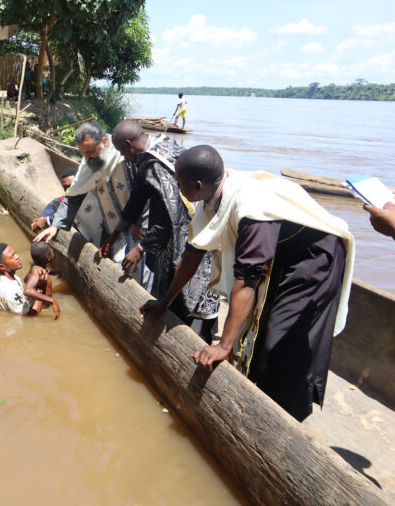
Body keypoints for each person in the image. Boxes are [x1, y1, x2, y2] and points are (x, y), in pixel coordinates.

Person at [140, 145, 355, 422]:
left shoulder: (251, 208)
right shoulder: (211, 195)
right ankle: (261, 390)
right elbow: (192, 255)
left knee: (281, 338)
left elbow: (246, 281)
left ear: (197, 184)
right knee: (260, 329)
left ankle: (288, 415)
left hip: (313, 258)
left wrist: (223, 346)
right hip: (280, 255)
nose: (179, 190)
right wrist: (164, 301)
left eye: (180, 185)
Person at [99, 120, 220, 341]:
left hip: (188, 236)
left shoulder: (156, 165)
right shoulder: (159, 146)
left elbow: (170, 218)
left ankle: (187, 340)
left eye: (122, 152)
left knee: (187, 293)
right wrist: (116, 232)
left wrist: (141, 248)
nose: (124, 158)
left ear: (129, 144)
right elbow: (138, 195)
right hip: (185, 231)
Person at [33, 122, 141, 265]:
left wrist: (136, 221)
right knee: (119, 262)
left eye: (90, 151)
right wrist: (54, 225)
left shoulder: (124, 154)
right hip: (114, 229)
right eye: (83, 153)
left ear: (104, 142)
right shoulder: (88, 163)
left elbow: (144, 192)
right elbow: (73, 195)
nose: (87, 157)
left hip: (138, 226)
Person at [0, 242, 40, 316]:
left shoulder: (10, 277)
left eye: (15, 253)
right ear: (2, 266)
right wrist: (39, 295)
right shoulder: (10, 290)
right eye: (12, 256)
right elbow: (28, 316)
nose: (17, 257)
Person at [30, 167, 77, 232]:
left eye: (70, 186)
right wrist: (44, 216)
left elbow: (73, 221)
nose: (67, 190)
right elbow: (54, 204)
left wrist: (47, 219)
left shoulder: (86, 199)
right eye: (65, 187)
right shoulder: (68, 197)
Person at [23, 241, 61, 319]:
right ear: (48, 256)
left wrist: (50, 272)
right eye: (52, 251)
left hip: (39, 307)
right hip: (38, 311)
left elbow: (25, 280)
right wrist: (52, 301)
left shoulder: (36, 268)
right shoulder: (37, 271)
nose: (53, 252)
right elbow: (27, 290)